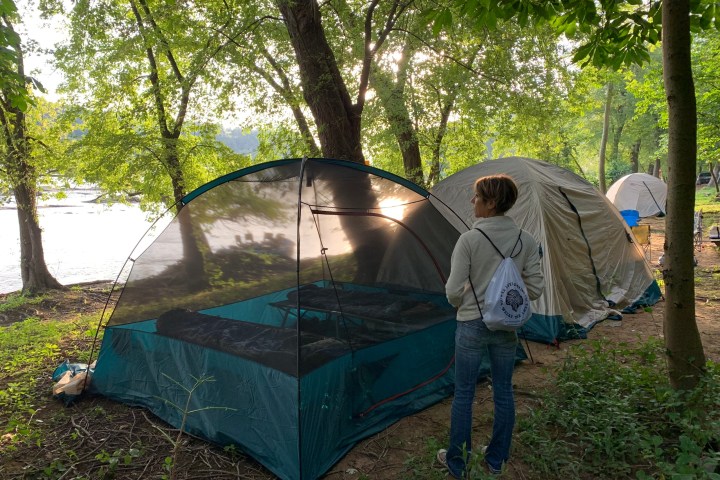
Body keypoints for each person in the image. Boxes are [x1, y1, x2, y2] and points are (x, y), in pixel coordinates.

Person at [437, 174, 544, 477]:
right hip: (507, 328)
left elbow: (453, 291)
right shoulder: (526, 240)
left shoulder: (469, 240)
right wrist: (508, 288)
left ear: (491, 202)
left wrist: (467, 304)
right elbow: (535, 290)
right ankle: (496, 460)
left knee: (464, 394)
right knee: (504, 391)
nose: (473, 201)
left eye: (476, 197)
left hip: (471, 323)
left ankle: (458, 464)